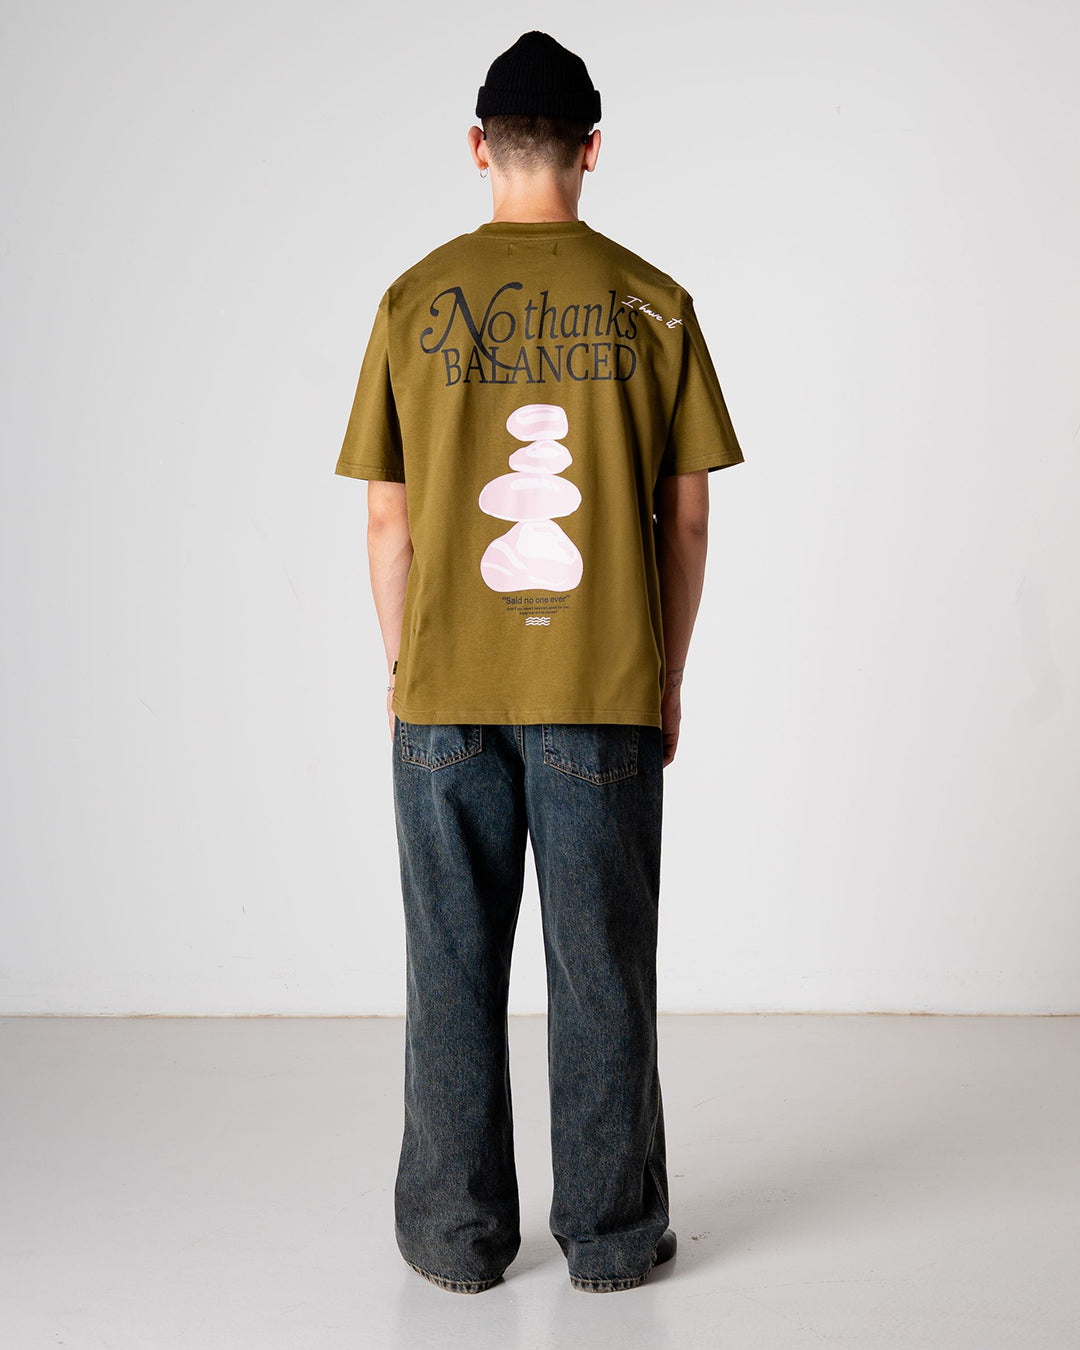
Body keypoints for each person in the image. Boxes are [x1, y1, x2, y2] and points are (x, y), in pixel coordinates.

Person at [334, 30, 745, 1294]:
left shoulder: (413, 301)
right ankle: (611, 1239)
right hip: (601, 687)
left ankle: (456, 1238)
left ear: (478, 147)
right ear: (592, 150)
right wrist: (666, 674)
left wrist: (405, 671)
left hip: (445, 692)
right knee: (601, 967)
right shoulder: (653, 303)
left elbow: (390, 520)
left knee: (449, 967)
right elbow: (686, 519)